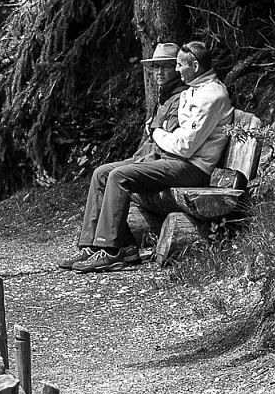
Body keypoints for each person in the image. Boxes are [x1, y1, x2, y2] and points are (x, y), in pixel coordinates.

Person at [64, 39, 233, 272]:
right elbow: (176, 135)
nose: (175, 69)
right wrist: (161, 133)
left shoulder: (210, 95)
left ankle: (111, 251)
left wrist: (156, 132)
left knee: (118, 176)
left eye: (179, 65)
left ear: (194, 66)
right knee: (102, 173)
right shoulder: (196, 90)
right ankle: (96, 246)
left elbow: (184, 146)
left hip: (192, 167)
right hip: (177, 161)